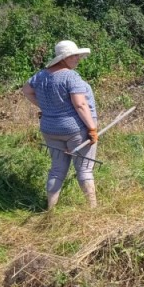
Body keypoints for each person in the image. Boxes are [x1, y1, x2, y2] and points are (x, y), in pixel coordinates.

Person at [21, 40, 99, 209]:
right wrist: (92, 128)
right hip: (75, 130)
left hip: (50, 129)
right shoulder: (70, 77)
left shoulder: (40, 76)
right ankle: (93, 209)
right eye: (75, 56)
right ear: (65, 58)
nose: (78, 59)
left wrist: (46, 107)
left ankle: (51, 209)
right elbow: (80, 105)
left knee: (57, 170)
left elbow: (26, 90)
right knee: (84, 169)